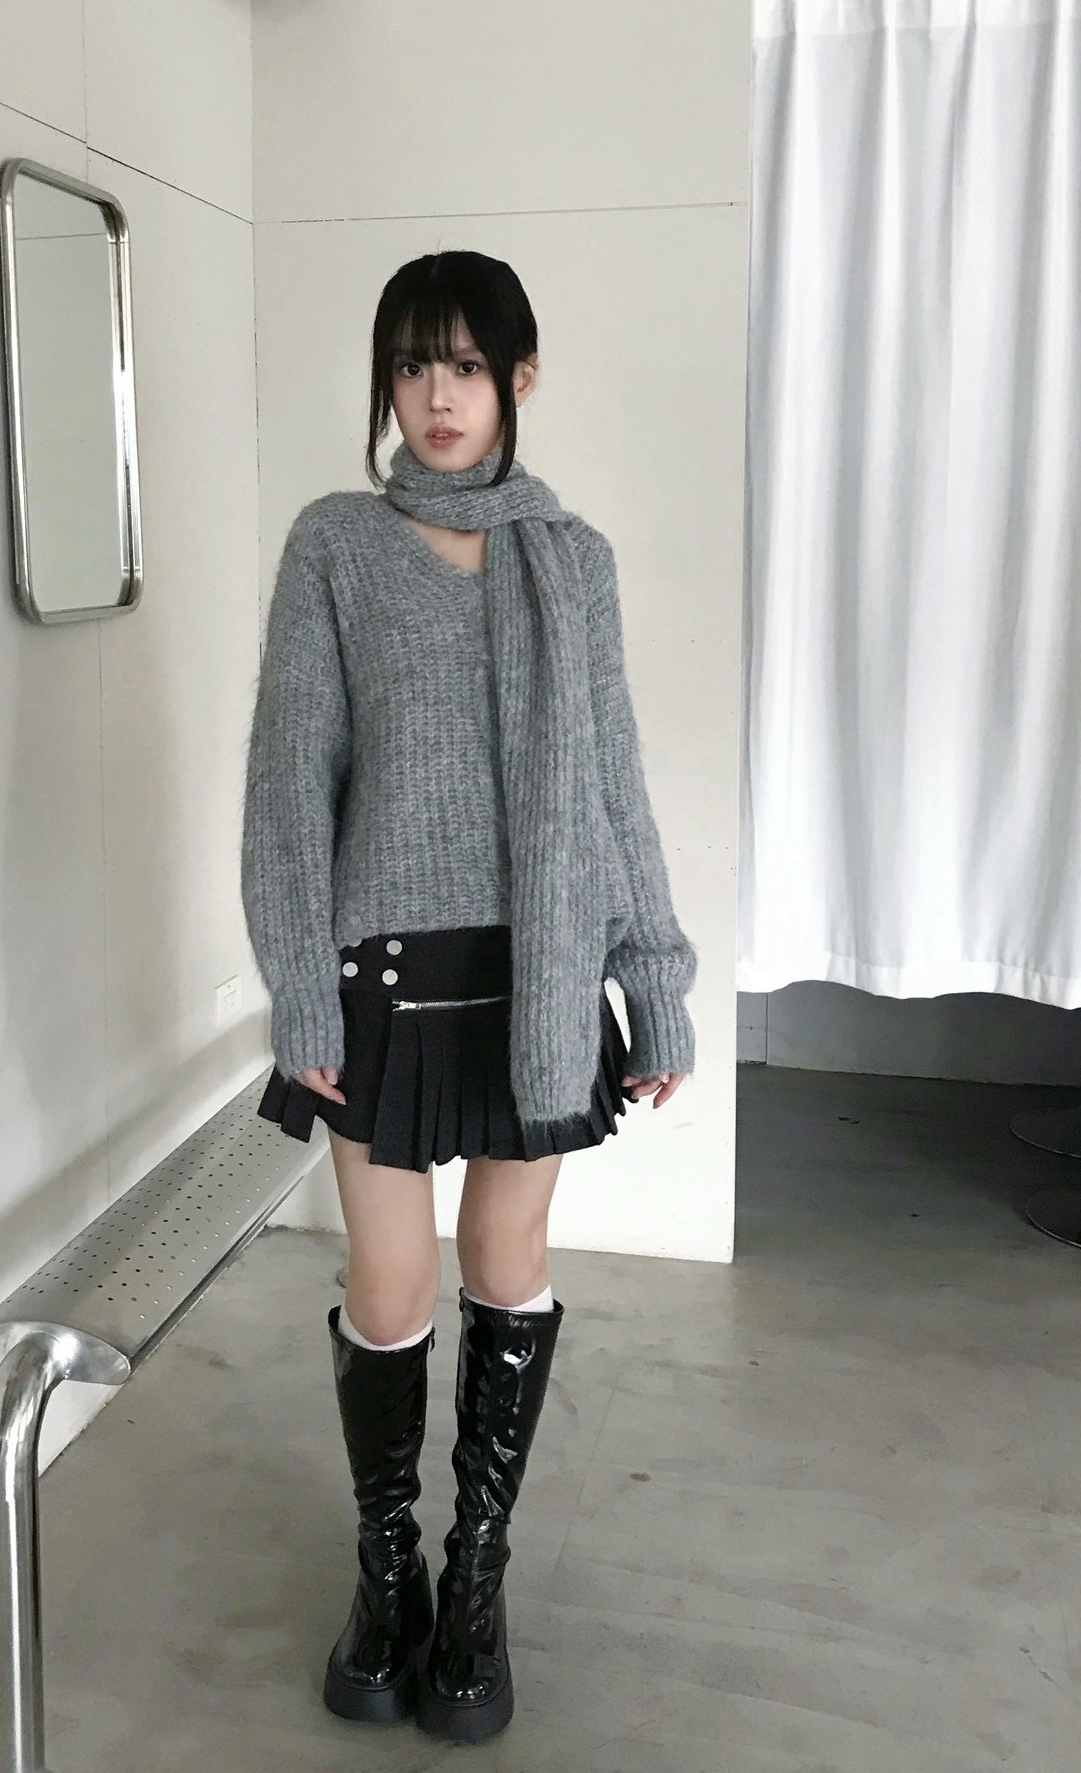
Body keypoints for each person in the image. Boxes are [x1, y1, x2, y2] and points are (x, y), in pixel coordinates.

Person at [240, 249, 697, 1743]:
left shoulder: (575, 561)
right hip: (378, 982)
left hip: (538, 976)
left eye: (468, 366)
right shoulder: (335, 546)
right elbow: (287, 787)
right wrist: (298, 989)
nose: (437, 396)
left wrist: (655, 976)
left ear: (519, 379)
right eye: (412, 364)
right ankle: (388, 1573)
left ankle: (476, 1577)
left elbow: (616, 786)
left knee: (507, 1262)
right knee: (389, 1287)